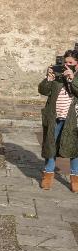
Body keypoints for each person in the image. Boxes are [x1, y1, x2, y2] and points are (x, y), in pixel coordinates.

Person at [38, 51, 78, 191]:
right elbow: (43, 90)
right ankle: (48, 175)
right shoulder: (57, 76)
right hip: (55, 117)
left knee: (74, 149)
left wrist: (72, 78)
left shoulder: (76, 77)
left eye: (70, 63)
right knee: (51, 145)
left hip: (72, 119)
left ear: (77, 64)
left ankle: (75, 178)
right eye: (65, 62)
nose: (67, 65)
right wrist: (49, 78)